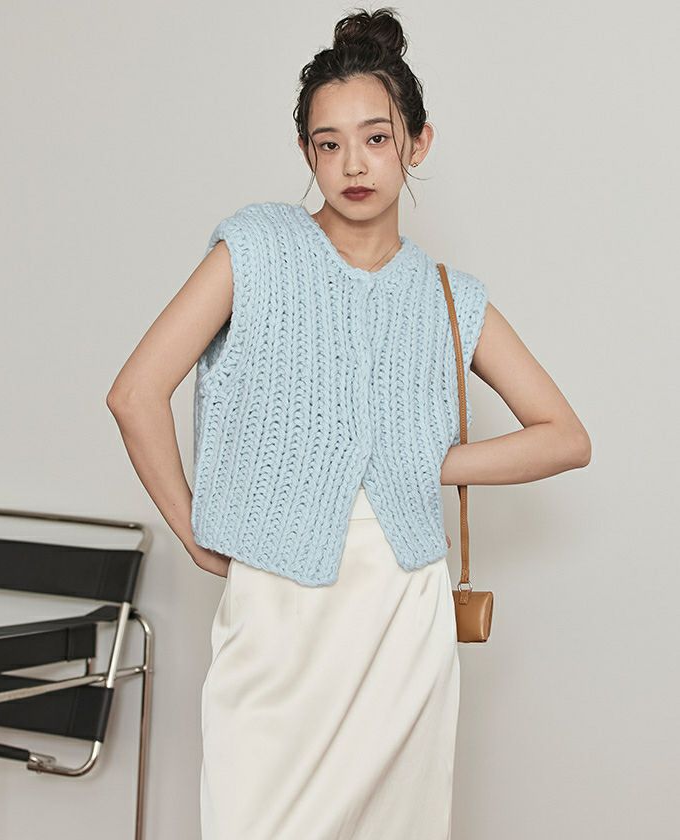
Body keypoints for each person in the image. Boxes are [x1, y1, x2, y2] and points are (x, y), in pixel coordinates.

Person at [107, 7, 591, 839]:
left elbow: (566, 437)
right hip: (279, 609)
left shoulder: (449, 296)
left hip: (403, 608)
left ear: (418, 143)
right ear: (306, 153)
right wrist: (191, 530)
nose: (354, 164)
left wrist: (430, 461)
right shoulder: (256, 248)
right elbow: (135, 393)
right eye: (329, 144)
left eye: (376, 137)